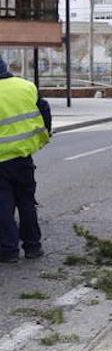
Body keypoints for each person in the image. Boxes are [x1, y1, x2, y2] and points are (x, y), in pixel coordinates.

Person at [0, 55, 51, 263]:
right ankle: (33, 246)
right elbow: (44, 110)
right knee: (27, 202)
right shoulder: (26, 86)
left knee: (3, 205)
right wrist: (45, 134)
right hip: (23, 157)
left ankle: (9, 250)